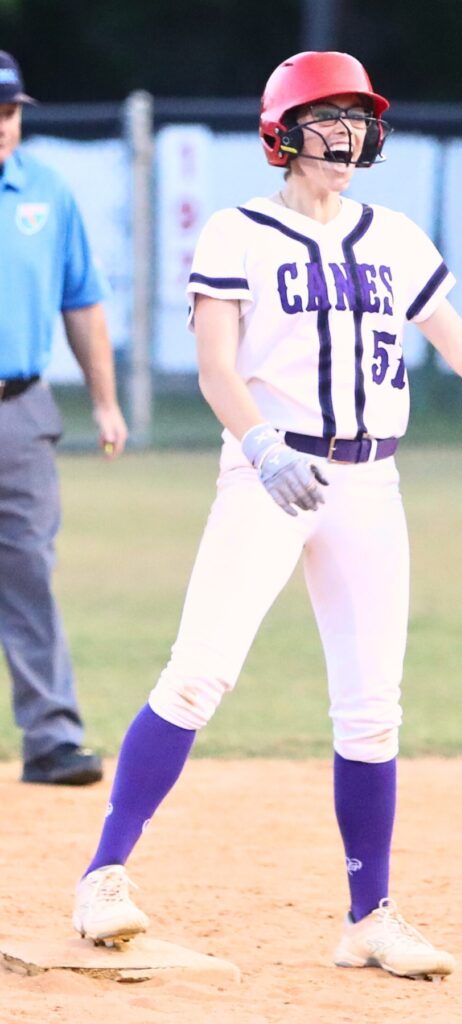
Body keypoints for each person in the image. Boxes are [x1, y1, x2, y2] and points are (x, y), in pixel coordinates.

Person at [72, 51, 462, 979]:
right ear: (282, 134)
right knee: (198, 675)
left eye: (358, 120)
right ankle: (102, 876)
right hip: (269, 472)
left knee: (372, 713)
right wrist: (260, 447)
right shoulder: (237, 230)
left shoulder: (394, 236)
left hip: (370, 486)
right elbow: (217, 368)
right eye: (328, 119)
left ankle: (369, 916)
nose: (348, 137)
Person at [0, 50, 128, 786]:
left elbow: (81, 300)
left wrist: (104, 402)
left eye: (11, 111)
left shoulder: (47, 194)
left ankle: (51, 739)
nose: (3, 126)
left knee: (28, 576)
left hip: (20, 413)